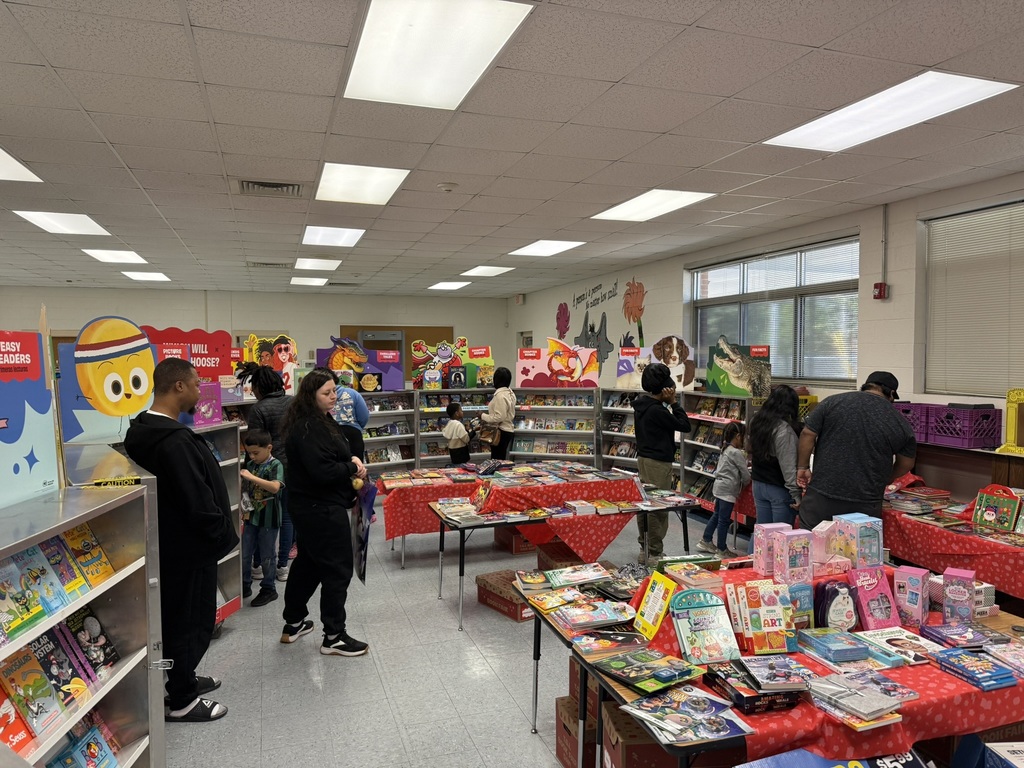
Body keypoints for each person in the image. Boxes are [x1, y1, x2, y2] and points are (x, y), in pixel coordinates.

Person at [124, 358, 238, 722]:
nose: (200, 390)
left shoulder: (143, 430)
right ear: (178, 387)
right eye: (197, 383)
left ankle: (180, 678)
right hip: (189, 548)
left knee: (176, 619)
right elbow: (197, 501)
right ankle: (183, 699)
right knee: (189, 621)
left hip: (169, 545)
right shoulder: (174, 442)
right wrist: (220, 533)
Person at [279, 368, 369, 656]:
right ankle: (334, 635)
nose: (334, 397)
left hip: (310, 506)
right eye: (326, 393)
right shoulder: (308, 427)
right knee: (337, 569)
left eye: (334, 391)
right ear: (311, 395)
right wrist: (351, 466)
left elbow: (331, 453)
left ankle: (293, 622)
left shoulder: (318, 419)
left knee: (309, 563)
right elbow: (322, 471)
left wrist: (350, 457)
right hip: (320, 508)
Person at [797, 371, 916, 529]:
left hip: (822, 494)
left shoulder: (832, 402)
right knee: (858, 544)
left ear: (866, 385)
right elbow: (906, 463)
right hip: (865, 501)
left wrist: (803, 467)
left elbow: (807, 433)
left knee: (811, 540)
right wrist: (887, 478)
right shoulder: (900, 421)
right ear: (891, 393)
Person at [633, 362, 691, 562]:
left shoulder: (641, 405)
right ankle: (654, 552)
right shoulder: (658, 411)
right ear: (665, 388)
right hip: (658, 463)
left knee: (645, 505)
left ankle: (645, 547)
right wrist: (674, 403)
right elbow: (685, 425)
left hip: (644, 459)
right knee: (657, 508)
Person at [245, 366, 294, 581]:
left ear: (259, 387)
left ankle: (258, 565)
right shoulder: (293, 402)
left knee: (261, 516)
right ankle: (282, 566)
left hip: (267, 470)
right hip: (292, 466)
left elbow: (254, 444)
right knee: (287, 518)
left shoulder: (258, 409)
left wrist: (248, 471)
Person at [747, 385, 802, 553]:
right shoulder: (784, 430)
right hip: (778, 488)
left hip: (758, 483)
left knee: (761, 532)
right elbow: (788, 467)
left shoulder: (756, 421)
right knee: (781, 536)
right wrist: (796, 495)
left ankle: (751, 563)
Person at [240, 429, 284, 607]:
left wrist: (251, 477)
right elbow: (245, 490)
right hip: (251, 517)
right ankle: (244, 584)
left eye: (256, 452)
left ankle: (268, 588)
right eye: (249, 453)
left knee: (267, 555)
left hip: (269, 519)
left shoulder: (276, 465)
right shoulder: (251, 464)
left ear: (269, 448)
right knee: (245, 553)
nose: (252, 456)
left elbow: (275, 487)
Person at [697, 422, 748, 557]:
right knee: (724, 520)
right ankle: (721, 549)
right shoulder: (736, 452)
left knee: (717, 514)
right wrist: (745, 482)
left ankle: (706, 539)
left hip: (719, 486)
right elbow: (745, 474)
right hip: (728, 489)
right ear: (738, 436)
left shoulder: (725, 448)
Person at [481, 366, 515, 460]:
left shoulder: (500, 396)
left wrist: (482, 416)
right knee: (500, 458)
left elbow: (499, 417)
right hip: (507, 430)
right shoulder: (510, 393)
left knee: (496, 459)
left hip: (500, 431)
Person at [331, 378, 369, 462]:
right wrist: (356, 427)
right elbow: (364, 416)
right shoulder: (353, 393)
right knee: (357, 466)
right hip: (353, 434)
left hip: (331, 435)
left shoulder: (318, 395)